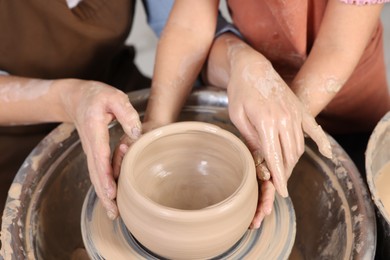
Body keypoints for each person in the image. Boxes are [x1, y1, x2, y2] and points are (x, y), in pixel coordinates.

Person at [114, 0, 390, 229]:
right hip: (251, 92)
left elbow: (337, 48)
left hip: (345, 102)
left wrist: (280, 130)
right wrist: (158, 121)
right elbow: (189, 25)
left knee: (355, 209)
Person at [0, 0, 153, 224]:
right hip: (18, 131)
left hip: (117, 90)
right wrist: (69, 98)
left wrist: (158, 117)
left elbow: (184, 22)